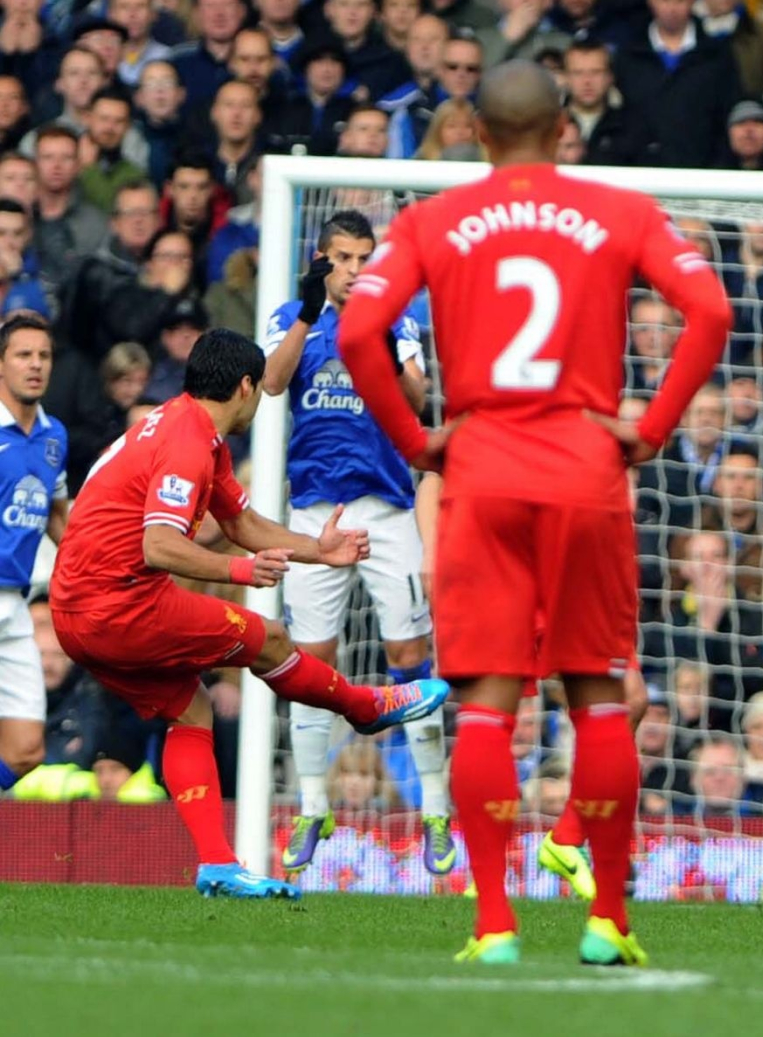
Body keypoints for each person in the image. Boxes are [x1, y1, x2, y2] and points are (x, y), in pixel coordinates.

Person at [336, 61, 731, 965]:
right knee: (599, 695)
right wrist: (652, 430)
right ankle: (608, 921)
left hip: (482, 467)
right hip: (586, 467)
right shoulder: (620, 210)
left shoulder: (431, 219)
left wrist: (418, 442)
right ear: (563, 130)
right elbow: (709, 309)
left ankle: (493, 924)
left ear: (476, 132)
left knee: (486, 704)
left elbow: (358, 330)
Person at [48, 329, 451, 899]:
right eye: (261, 388)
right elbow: (158, 545)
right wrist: (240, 571)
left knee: (191, 710)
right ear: (245, 386)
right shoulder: (187, 443)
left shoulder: (189, 428)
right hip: (118, 603)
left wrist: (319, 550)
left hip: (75, 614)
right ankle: (365, 707)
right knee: (271, 638)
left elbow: (241, 524)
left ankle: (218, 864)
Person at [260, 211, 452, 879]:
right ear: (321, 260)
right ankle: (313, 806)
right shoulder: (291, 316)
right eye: (342, 258)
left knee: (410, 657)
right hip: (315, 513)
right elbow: (273, 382)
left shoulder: (397, 318)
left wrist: (380, 336)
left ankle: (435, 809)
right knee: (312, 665)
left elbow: (417, 399)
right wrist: (309, 317)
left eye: (364, 257)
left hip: (388, 510)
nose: (354, 269)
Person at [0, 316, 69, 795]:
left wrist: (99, 569)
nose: (36, 365)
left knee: (26, 750)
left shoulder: (54, 436)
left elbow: (58, 516)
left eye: (43, 355)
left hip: (17, 602)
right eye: (23, 355)